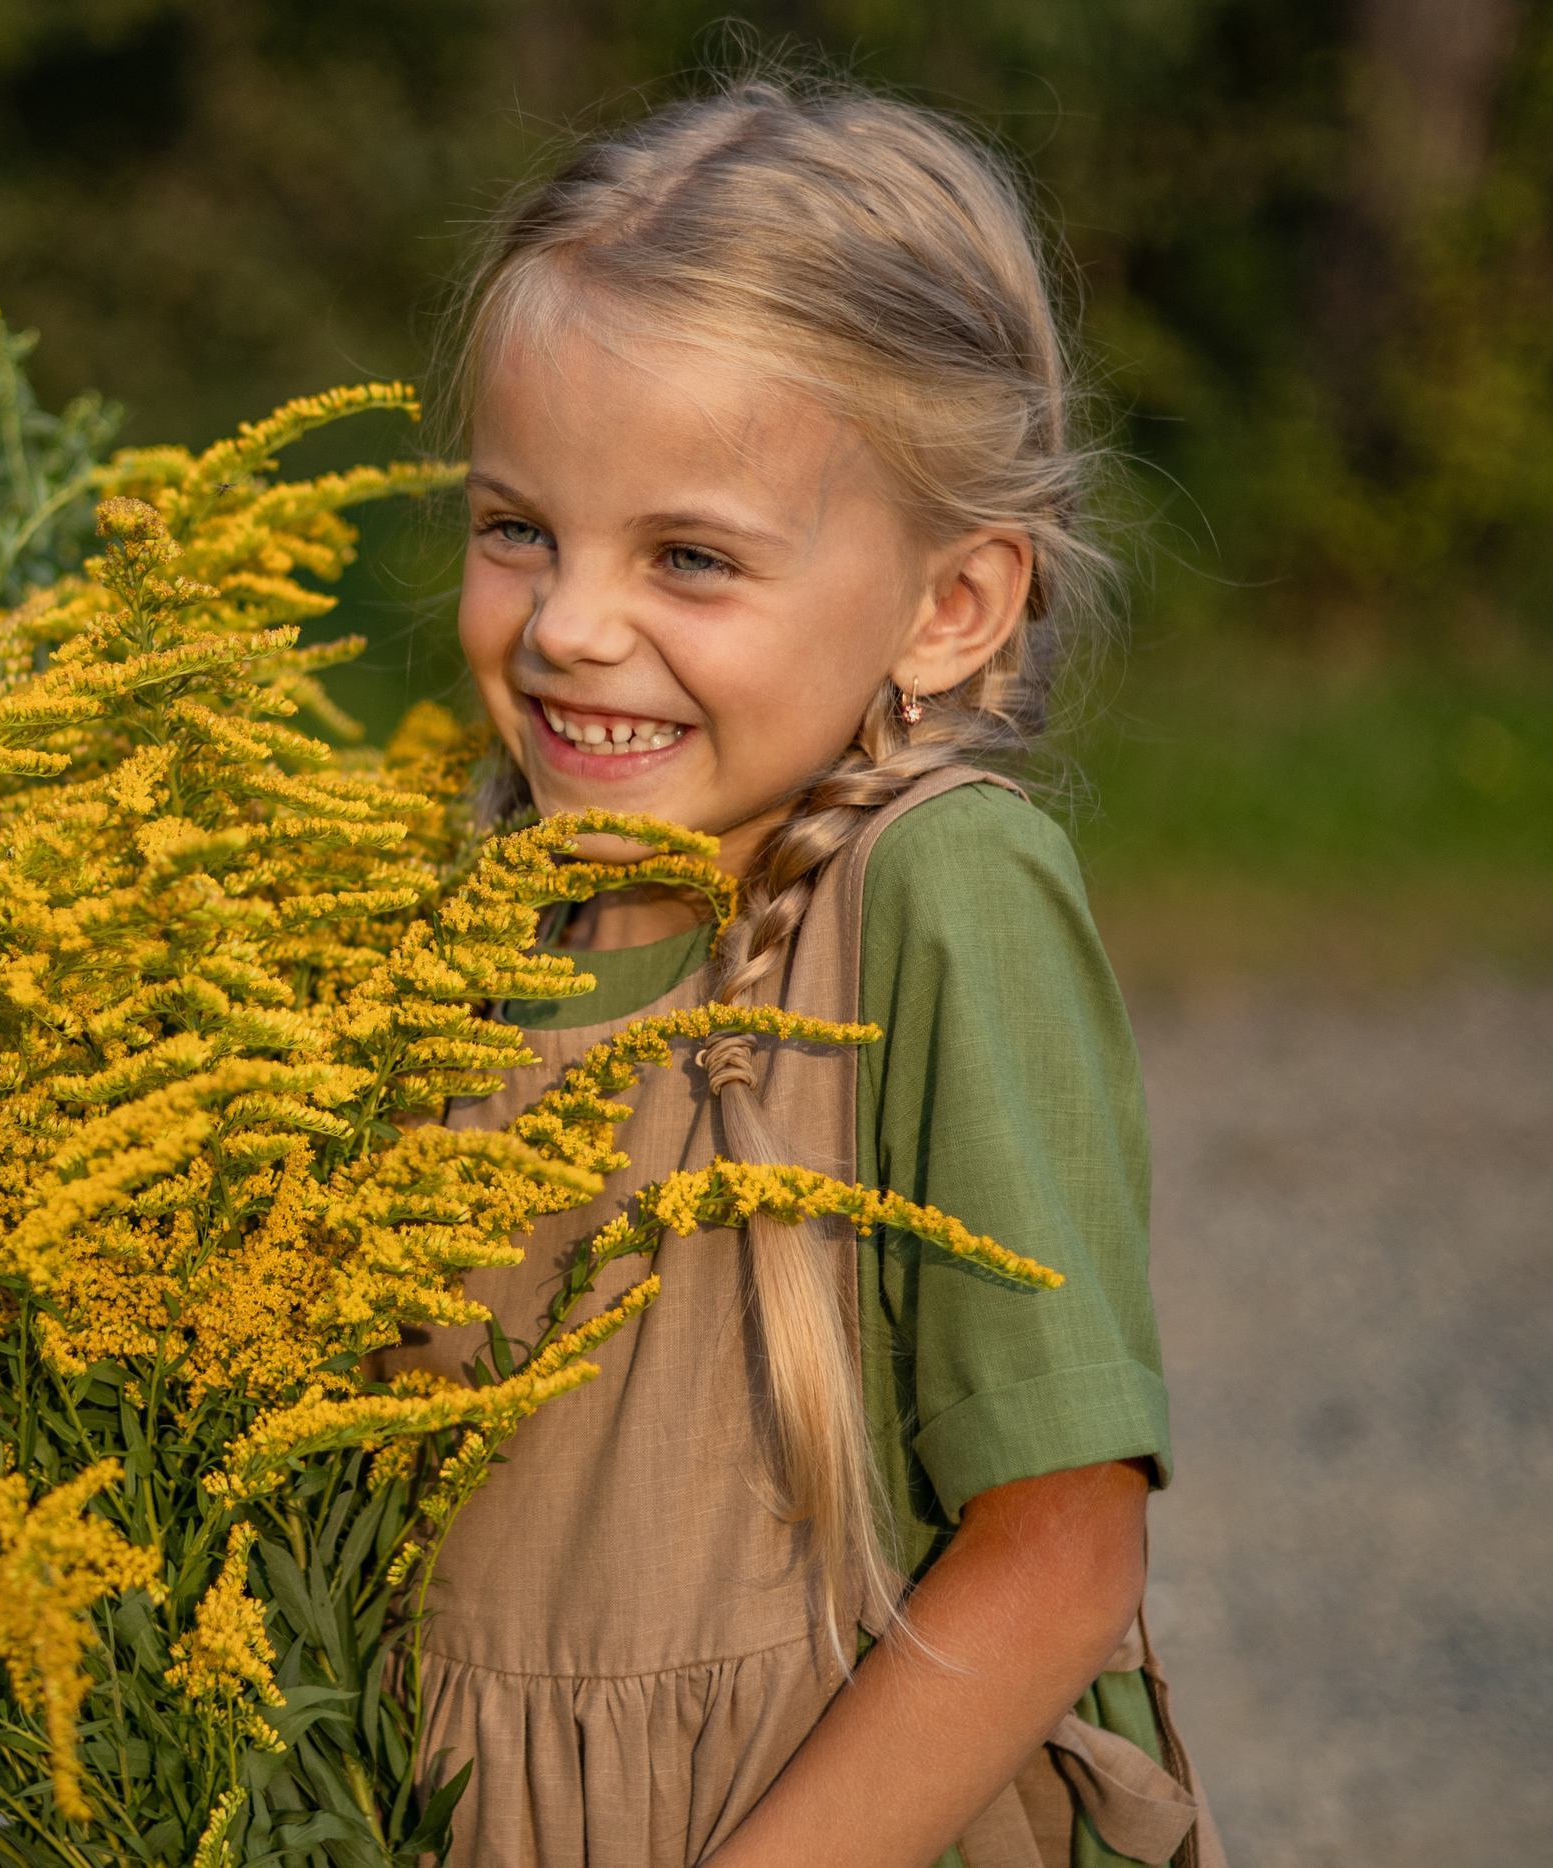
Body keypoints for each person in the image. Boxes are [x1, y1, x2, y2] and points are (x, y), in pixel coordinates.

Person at [373, 78, 1224, 1868]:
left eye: (689, 556)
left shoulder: (938, 891)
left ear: (951, 609)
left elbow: (1062, 1553)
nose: (567, 625)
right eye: (518, 525)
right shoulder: (456, 913)